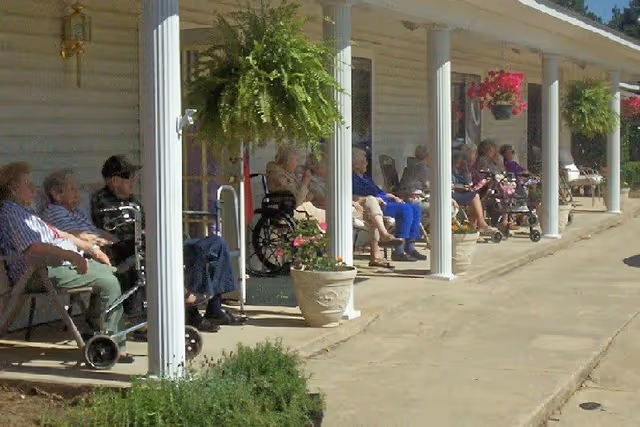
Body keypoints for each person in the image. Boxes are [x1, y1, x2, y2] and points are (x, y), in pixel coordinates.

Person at [0, 162, 133, 363]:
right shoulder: (11, 212)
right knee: (109, 282)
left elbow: (59, 233)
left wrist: (91, 249)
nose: (33, 189)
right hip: (40, 271)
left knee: (113, 273)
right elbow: (34, 248)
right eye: (28, 184)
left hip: (57, 265)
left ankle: (96, 331)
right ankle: (113, 344)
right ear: (13, 189)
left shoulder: (27, 212)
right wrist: (73, 256)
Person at [305, 153, 402, 269]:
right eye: (327, 164)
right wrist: (349, 201)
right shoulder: (313, 183)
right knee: (372, 214)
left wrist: (353, 200)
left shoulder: (331, 180)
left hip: (348, 208)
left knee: (371, 201)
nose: (330, 167)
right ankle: (378, 250)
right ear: (317, 168)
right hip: (332, 211)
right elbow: (324, 201)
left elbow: (346, 195)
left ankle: (383, 234)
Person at [352, 148, 427, 262]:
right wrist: (379, 198)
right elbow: (355, 196)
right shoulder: (352, 178)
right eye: (364, 161)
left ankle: (410, 246)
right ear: (355, 165)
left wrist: (391, 196)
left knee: (415, 208)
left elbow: (378, 191)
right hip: (373, 206)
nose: (367, 163)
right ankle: (399, 251)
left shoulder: (365, 177)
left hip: (383, 200)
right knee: (405, 209)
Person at [41, 169, 115, 246]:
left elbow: (94, 231)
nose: (76, 191)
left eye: (76, 188)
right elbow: (76, 236)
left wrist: (115, 241)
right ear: (56, 195)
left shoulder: (74, 211)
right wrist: (107, 243)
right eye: (72, 188)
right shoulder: (55, 211)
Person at [265, 146, 326, 223]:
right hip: (293, 209)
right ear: (287, 161)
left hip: (300, 206)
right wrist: (305, 182)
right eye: (296, 160)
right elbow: (296, 201)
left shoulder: (287, 173)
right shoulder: (279, 176)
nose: (298, 164)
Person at [451, 151, 493, 232]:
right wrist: (461, 187)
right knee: (474, 197)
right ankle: (479, 224)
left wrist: (465, 170)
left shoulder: (462, 170)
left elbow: (468, 182)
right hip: (450, 194)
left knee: (474, 196)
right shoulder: (449, 171)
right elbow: (449, 186)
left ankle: (474, 227)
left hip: (460, 192)